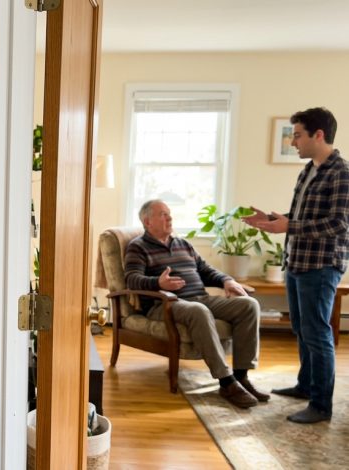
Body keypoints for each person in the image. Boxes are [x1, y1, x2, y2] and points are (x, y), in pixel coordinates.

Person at [243, 107, 349, 424]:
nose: (293, 142)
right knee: (301, 329)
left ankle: (321, 405)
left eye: (298, 135)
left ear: (319, 135)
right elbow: (301, 219)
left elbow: (339, 224)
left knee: (317, 333)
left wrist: (290, 226)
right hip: (297, 260)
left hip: (320, 265)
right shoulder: (308, 170)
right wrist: (276, 221)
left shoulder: (341, 173)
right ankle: (305, 386)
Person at [125, 199, 267, 408]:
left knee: (249, 304)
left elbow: (206, 270)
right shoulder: (138, 247)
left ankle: (241, 376)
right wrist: (158, 282)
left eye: (169, 213)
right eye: (163, 214)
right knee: (198, 310)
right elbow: (131, 279)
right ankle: (226, 381)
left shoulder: (182, 244)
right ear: (148, 221)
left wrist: (226, 280)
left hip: (200, 298)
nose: (170, 217)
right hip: (165, 305)